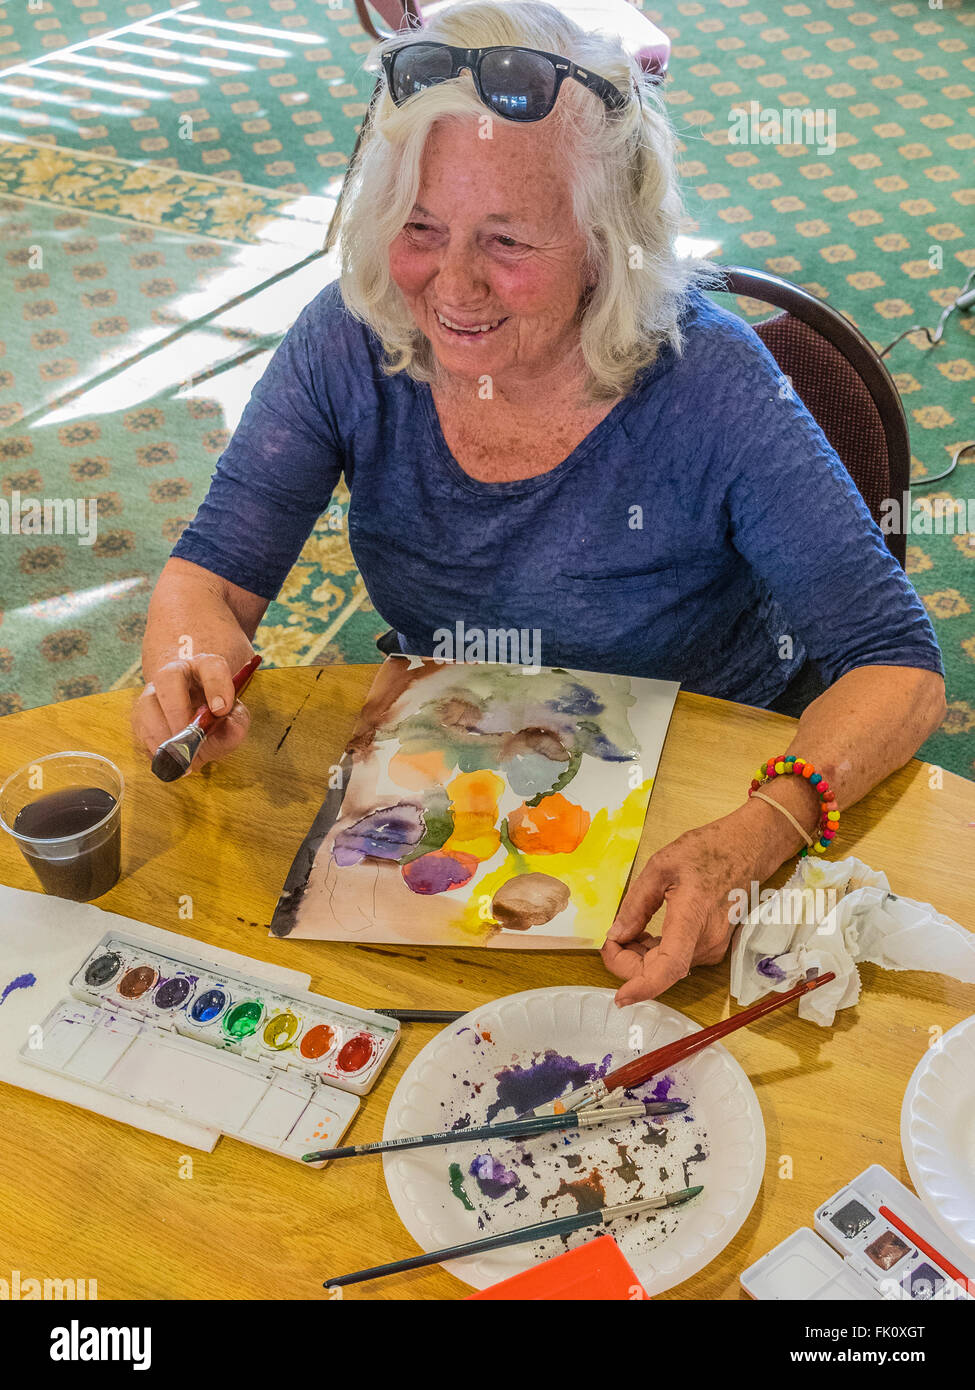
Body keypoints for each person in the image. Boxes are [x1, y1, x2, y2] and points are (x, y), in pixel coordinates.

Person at [133, 1, 945, 1003]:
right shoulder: (352, 336)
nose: (454, 287)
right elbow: (206, 576)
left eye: (507, 240)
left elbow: (897, 667)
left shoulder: (708, 382)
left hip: (712, 786)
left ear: (605, 244)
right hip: (461, 788)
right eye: (421, 228)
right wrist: (184, 659)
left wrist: (750, 840)